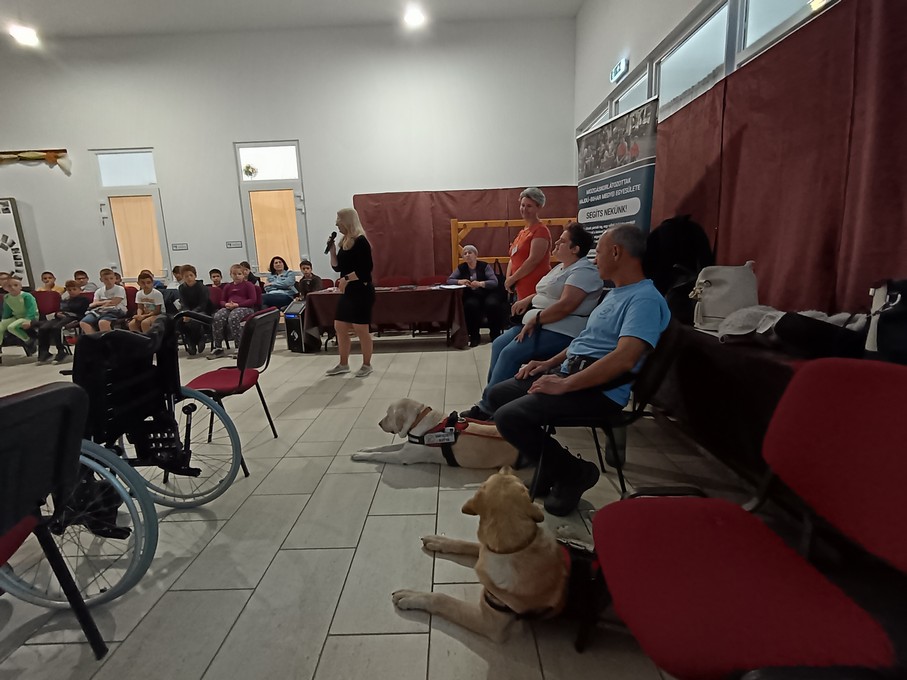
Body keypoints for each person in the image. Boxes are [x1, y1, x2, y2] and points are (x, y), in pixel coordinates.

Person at [485, 225, 670, 516]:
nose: (594, 260)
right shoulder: (616, 293)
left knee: (509, 418)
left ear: (616, 252)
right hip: (573, 375)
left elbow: (624, 358)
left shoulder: (644, 299)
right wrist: (548, 364)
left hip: (601, 390)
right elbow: (584, 341)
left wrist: (565, 385)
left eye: (599, 252)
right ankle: (551, 463)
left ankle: (575, 473)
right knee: (498, 395)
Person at [462, 222, 603, 419]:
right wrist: (528, 300)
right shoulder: (560, 268)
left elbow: (566, 306)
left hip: (561, 330)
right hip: (540, 324)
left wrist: (536, 319)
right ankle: (494, 399)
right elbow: (544, 292)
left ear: (575, 249)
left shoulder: (583, 272)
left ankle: (488, 409)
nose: (556, 244)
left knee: (510, 353)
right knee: (499, 344)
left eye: (562, 241)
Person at [326, 208, 374, 377]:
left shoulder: (361, 241)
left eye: (339, 219)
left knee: (361, 328)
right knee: (339, 326)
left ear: (347, 221)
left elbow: (365, 270)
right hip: (348, 292)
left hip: (362, 291)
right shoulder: (344, 242)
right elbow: (338, 267)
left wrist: (345, 279)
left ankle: (367, 364)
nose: (336, 223)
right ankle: (343, 364)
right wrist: (332, 251)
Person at [447, 245, 501, 347]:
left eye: (470, 253)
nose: (467, 255)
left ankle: (495, 335)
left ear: (476, 255)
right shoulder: (461, 268)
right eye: (465, 254)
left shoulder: (484, 266)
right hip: (472, 295)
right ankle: (474, 336)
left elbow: (494, 282)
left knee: (492, 304)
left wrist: (480, 284)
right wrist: (459, 281)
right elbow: (449, 280)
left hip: (487, 293)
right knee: (470, 305)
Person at [504, 187, 552, 301]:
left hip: (533, 287)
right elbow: (513, 258)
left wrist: (513, 278)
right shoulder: (523, 231)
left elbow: (533, 260)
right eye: (522, 205)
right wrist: (509, 279)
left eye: (529, 206)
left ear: (538, 207)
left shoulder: (541, 230)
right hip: (519, 286)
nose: (524, 209)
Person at [208, 264, 257, 359]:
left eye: (239, 274)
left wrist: (238, 305)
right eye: (234, 274)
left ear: (243, 275)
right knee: (217, 316)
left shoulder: (248, 285)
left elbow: (252, 300)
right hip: (230, 307)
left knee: (233, 317)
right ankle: (218, 347)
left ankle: (239, 347)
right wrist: (226, 304)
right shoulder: (228, 286)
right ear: (231, 275)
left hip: (245, 307)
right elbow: (222, 300)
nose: (237, 276)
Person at [35, 279, 89, 364]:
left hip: (74, 317)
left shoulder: (84, 300)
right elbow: (60, 309)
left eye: (74, 289)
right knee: (43, 328)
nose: (72, 292)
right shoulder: (65, 300)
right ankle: (44, 352)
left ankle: (62, 350)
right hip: (61, 317)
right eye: (69, 290)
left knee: (57, 328)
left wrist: (67, 313)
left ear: (80, 290)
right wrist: (58, 314)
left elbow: (82, 312)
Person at [80, 268, 127, 334]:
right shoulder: (98, 291)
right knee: (83, 322)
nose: (109, 281)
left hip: (116, 310)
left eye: (111, 278)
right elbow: (93, 304)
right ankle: (95, 338)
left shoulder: (120, 289)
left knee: (103, 322)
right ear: (101, 280)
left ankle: (108, 339)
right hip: (100, 310)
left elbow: (114, 302)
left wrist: (100, 303)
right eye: (106, 279)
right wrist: (106, 302)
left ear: (115, 278)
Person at [178, 264, 211, 355]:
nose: (189, 278)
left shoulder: (202, 287)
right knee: (178, 320)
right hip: (188, 311)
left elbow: (203, 305)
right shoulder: (181, 288)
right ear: (182, 277)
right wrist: (186, 313)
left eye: (191, 275)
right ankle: (190, 341)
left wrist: (191, 314)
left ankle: (200, 338)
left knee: (194, 320)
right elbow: (183, 303)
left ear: (195, 276)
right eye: (186, 276)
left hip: (202, 310)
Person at [0, 276, 38, 355]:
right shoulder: (7, 297)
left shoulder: (26, 296)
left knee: (11, 327)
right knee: (1, 326)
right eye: (9, 286)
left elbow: (31, 308)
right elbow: (7, 310)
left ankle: (29, 340)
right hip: (16, 316)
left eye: (15, 285)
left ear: (20, 287)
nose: (12, 287)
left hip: (28, 317)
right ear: (5, 288)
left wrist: (28, 319)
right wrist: (4, 319)